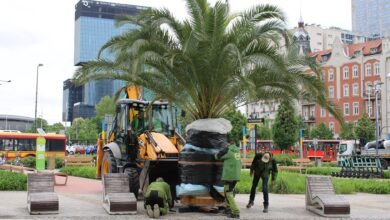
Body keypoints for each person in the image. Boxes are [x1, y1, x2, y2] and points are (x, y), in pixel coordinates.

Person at [214, 141, 241, 219]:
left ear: (228, 144)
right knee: (226, 190)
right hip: (236, 175)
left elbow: (217, 157)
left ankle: (236, 212)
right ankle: (228, 209)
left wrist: (216, 153)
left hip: (230, 176)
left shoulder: (228, 152)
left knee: (228, 193)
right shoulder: (237, 151)